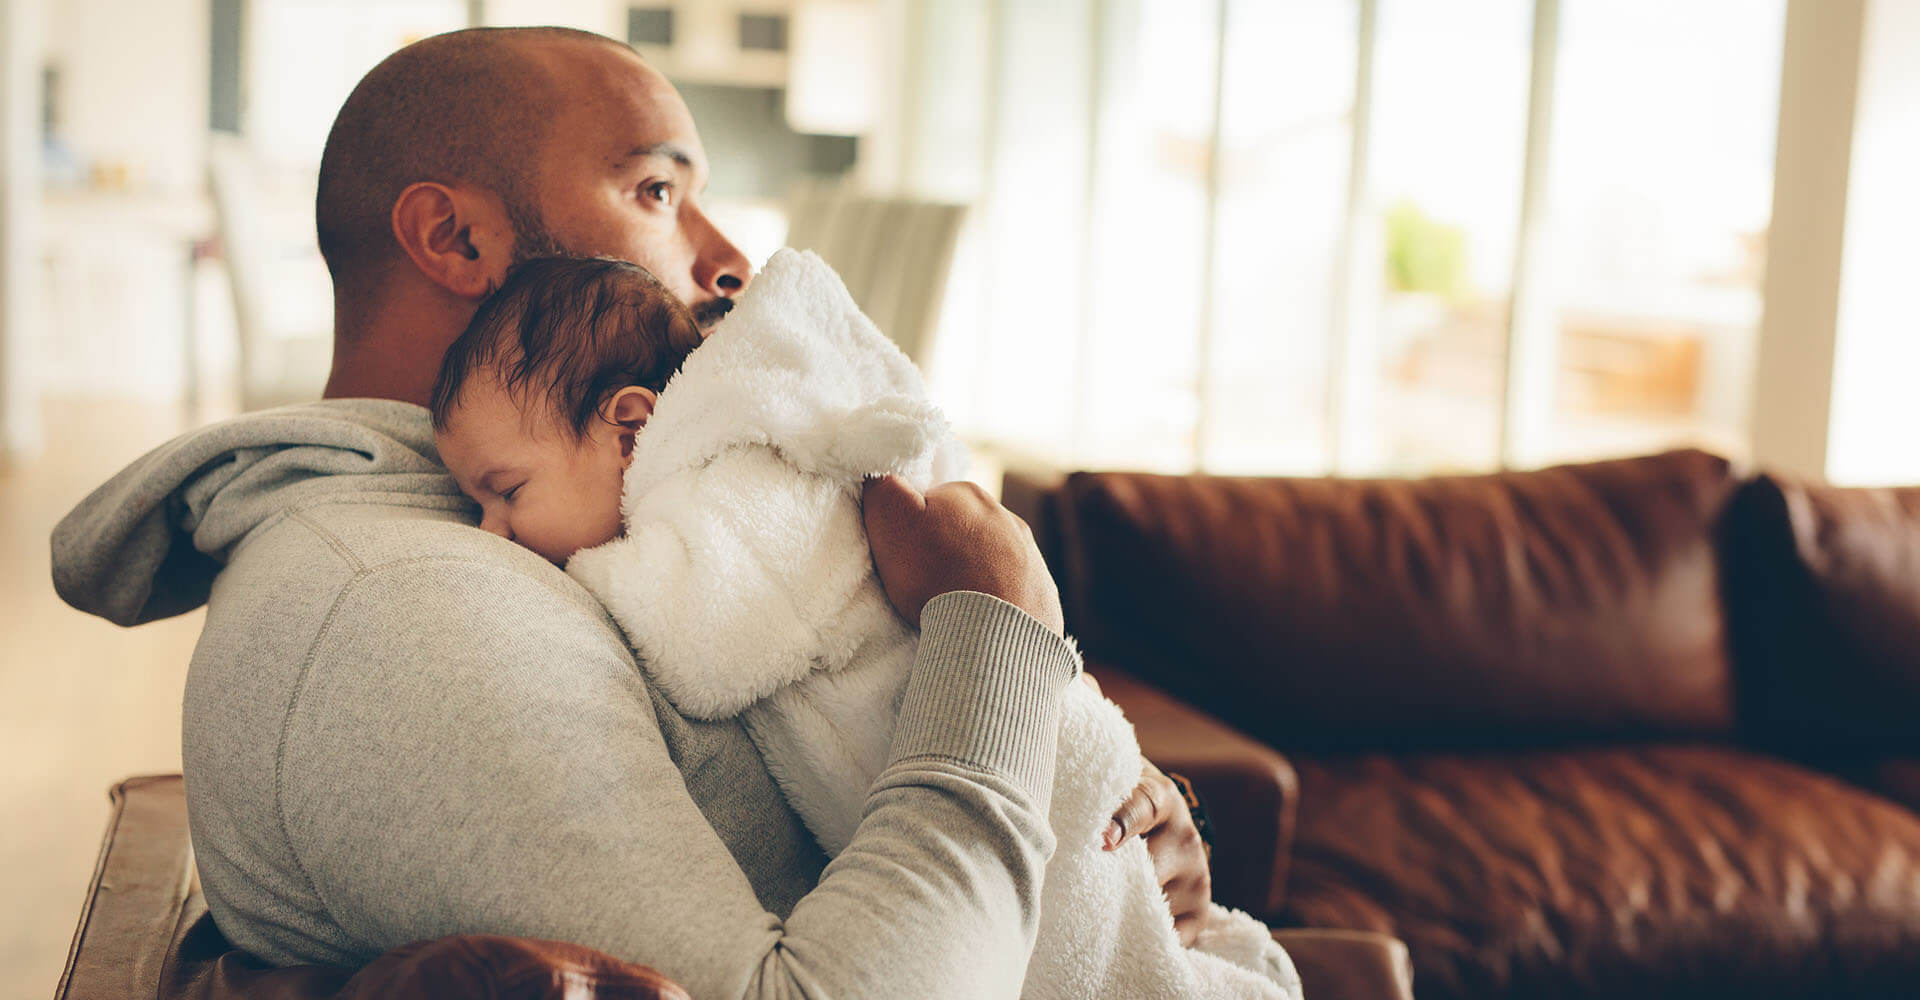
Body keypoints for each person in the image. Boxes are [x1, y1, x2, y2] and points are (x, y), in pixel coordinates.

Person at [49, 26, 1215, 998]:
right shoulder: (405, 612)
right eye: (658, 191)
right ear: (455, 238)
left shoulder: (563, 521)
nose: (730, 262)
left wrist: (1092, 815)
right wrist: (992, 633)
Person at [428, 248, 1302, 998]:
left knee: (1096, 965)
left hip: (1031, 756)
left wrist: (586, 579)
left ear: (629, 424)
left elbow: (710, 653)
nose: (491, 535)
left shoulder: (723, 490)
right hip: (998, 746)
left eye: (506, 493)